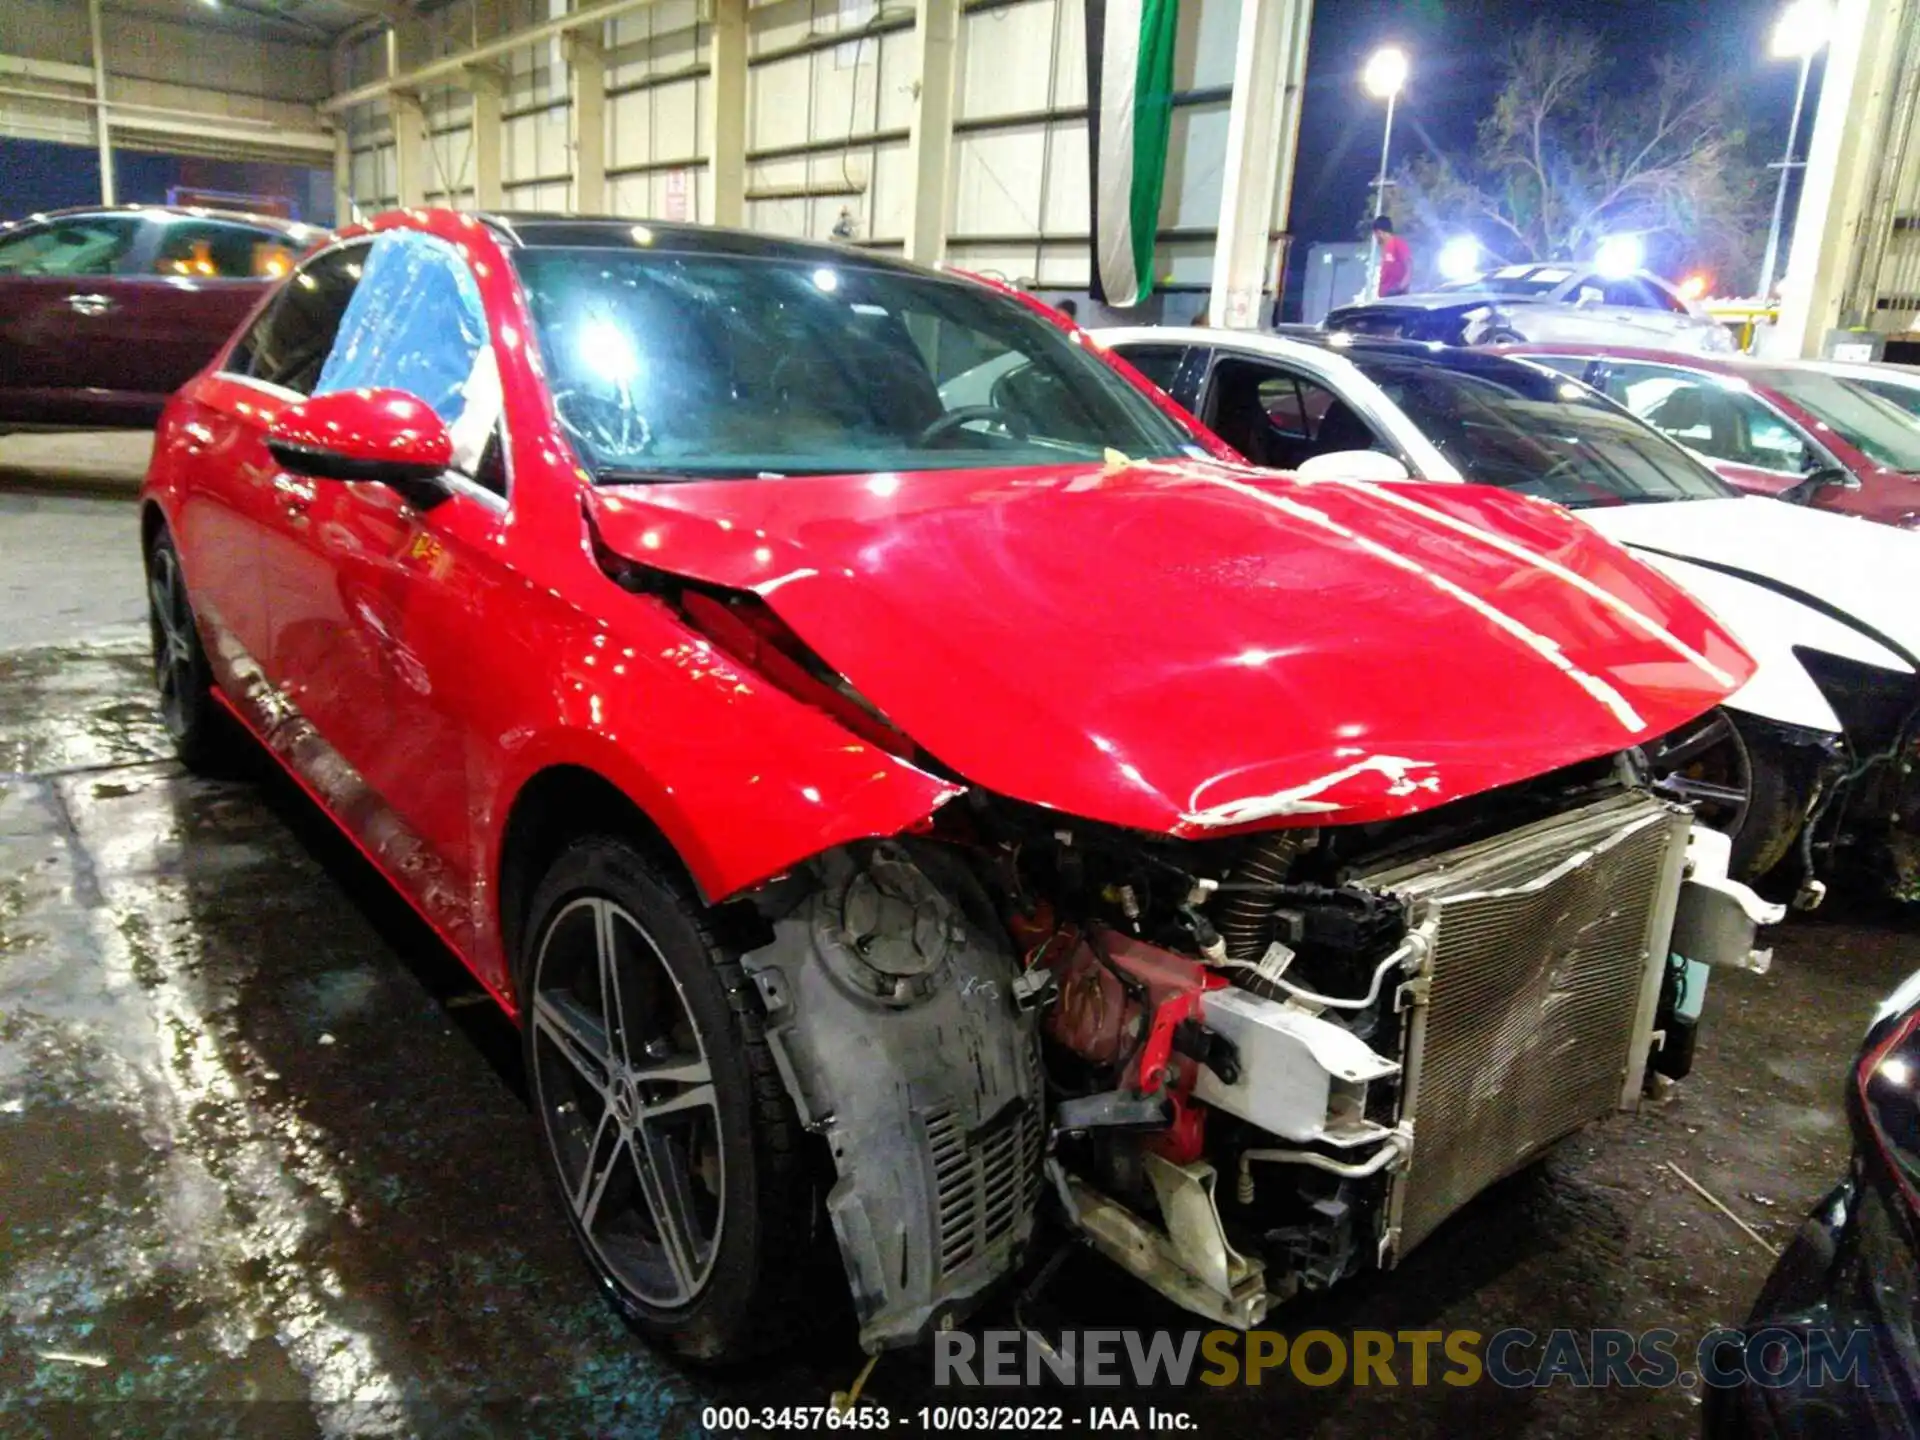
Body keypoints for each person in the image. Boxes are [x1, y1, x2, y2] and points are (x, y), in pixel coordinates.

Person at [1373, 215, 1411, 298]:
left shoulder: (1398, 243)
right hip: (1385, 298)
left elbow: (1409, 268)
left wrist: (1400, 288)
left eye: (1375, 235)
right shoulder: (1385, 248)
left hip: (1396, 297)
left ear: (1379, 232)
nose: (1375, 238)